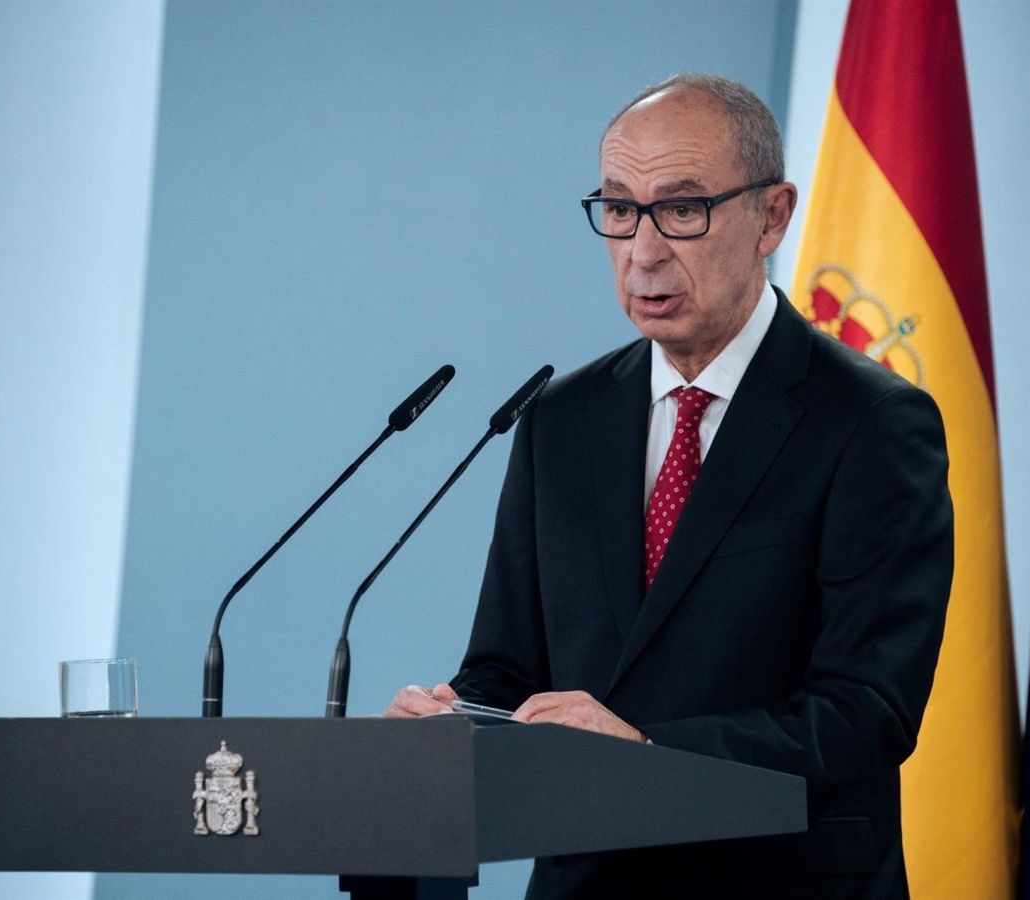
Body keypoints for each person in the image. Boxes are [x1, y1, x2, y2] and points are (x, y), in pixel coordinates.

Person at [386, 74, 952, 899]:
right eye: (620, 209)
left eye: (683, 209)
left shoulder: (872, 423)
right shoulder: (561, 419)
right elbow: (506, 670)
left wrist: (647, 752)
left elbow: (867, 712)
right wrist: (456, 725)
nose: (643, 251)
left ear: (772, 217)